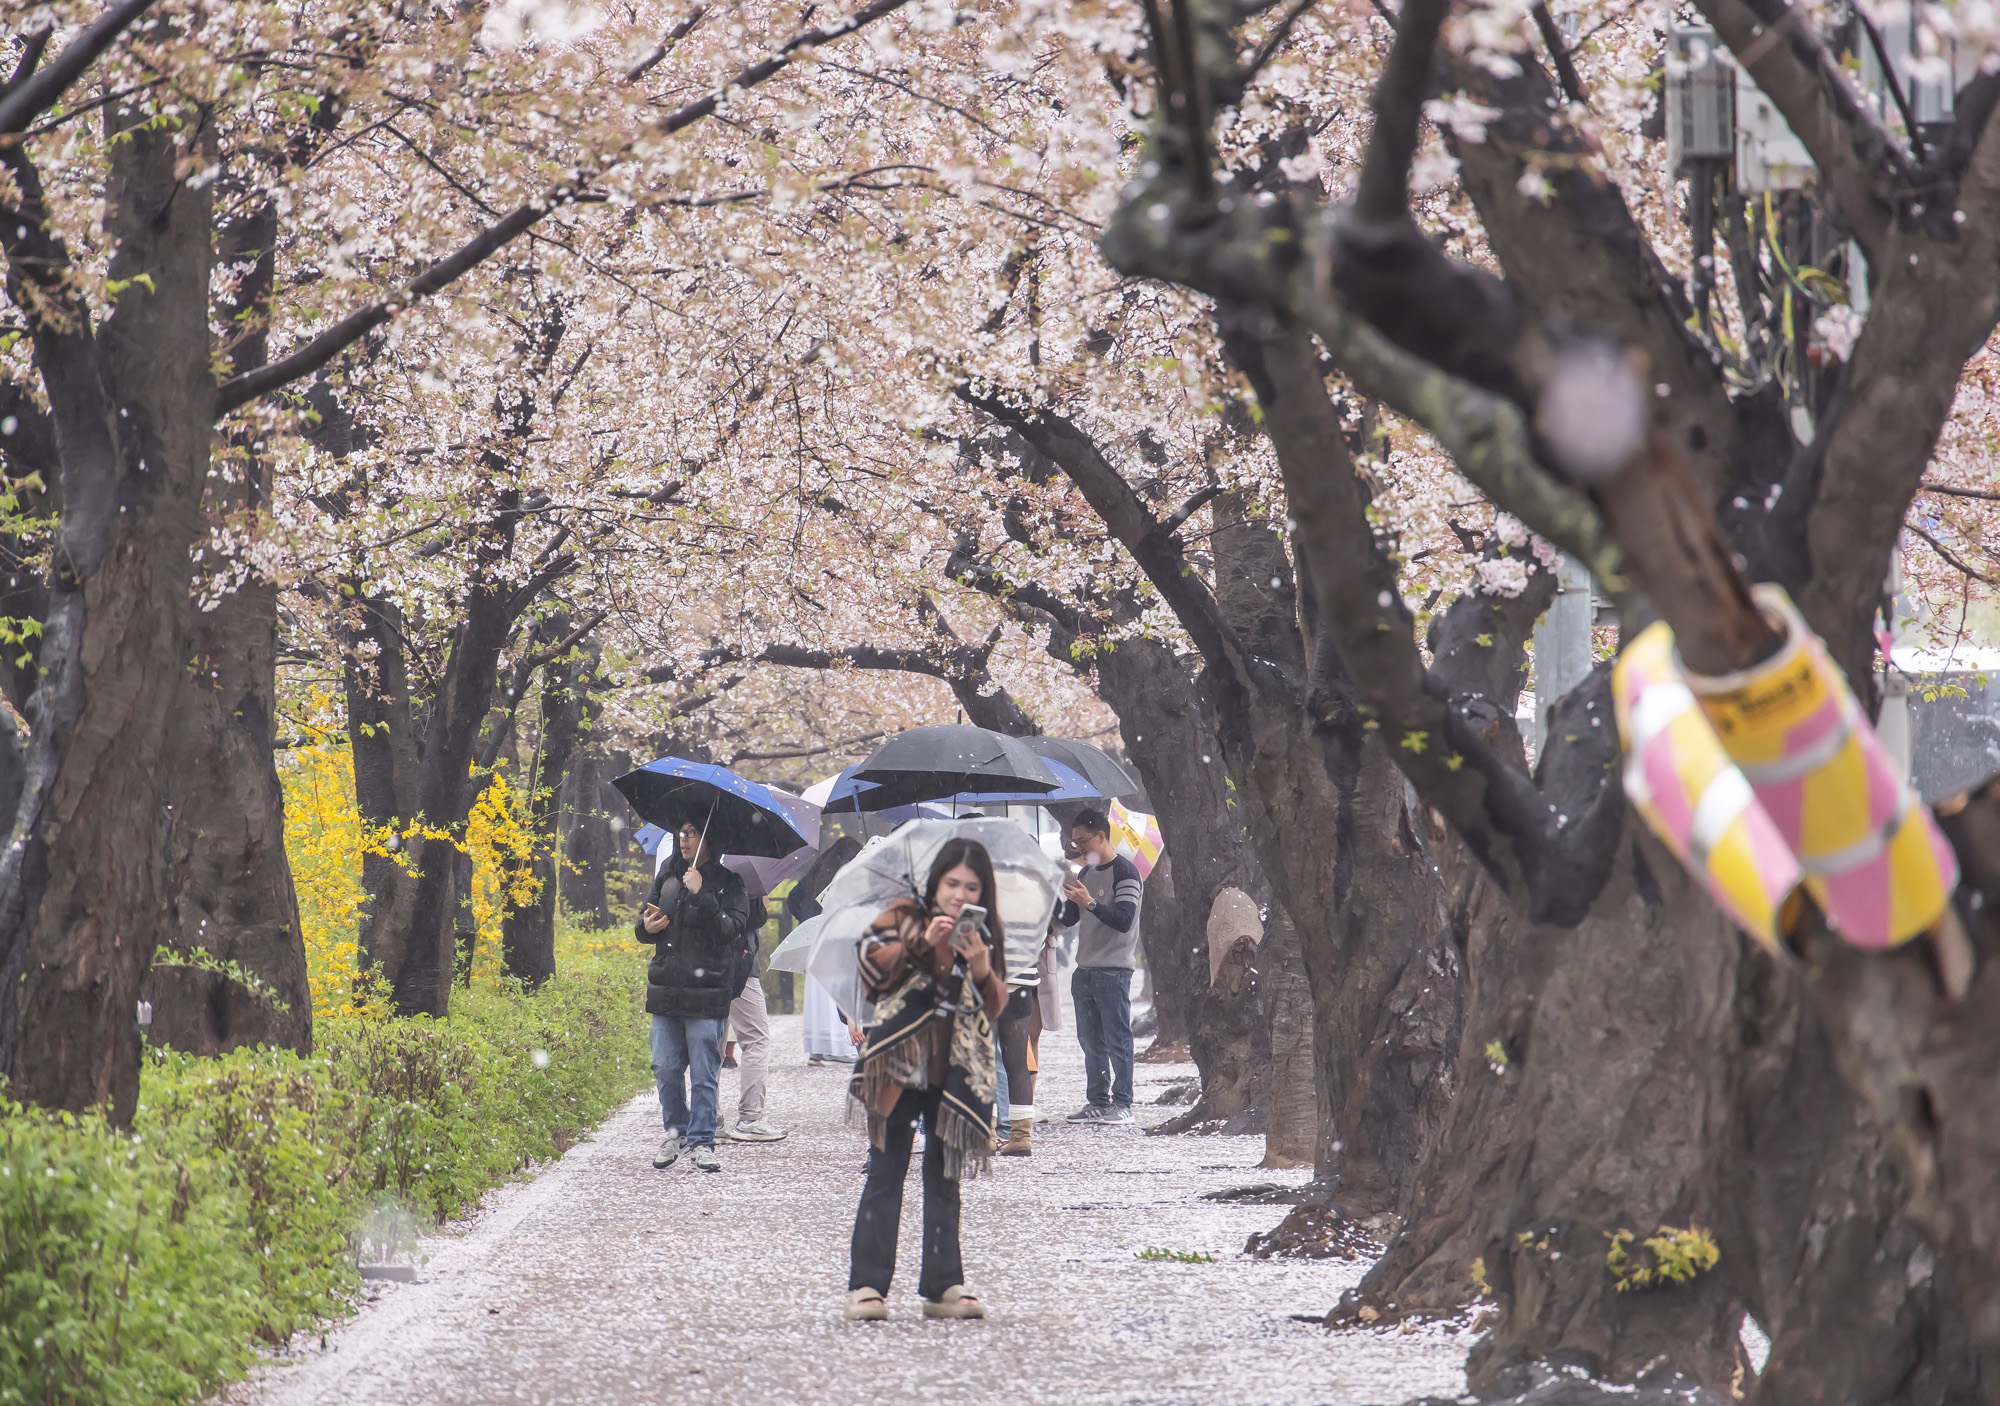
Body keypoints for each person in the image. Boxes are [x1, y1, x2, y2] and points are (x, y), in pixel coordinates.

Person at [844, 838, 1007, 1322]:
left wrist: (981, 968)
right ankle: (867, 1286)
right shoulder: (903, 915)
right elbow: (870, 969)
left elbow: (994, 1007)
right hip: (897, 1068)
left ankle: (944, 1286)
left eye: (971, 887)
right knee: (885, 1173)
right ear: (936, 883)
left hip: (952, 1076)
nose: (960, 894)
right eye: (952, 883)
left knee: (944, 1178)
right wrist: (924, 944)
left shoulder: (983, 933)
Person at [636, 821, 753, 1173]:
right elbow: (645, 923)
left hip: (707, 992)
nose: (683, 838)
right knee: (665, 1067)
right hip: (667, 990)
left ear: (708, 837)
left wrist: (703, 895)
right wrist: (646, 928)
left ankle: (702, 1141)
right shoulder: (667, 875)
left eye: (691, 832)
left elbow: (731, 931)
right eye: (681, 832)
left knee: (704, 1074)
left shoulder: (730, 883)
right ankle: (677, 1132)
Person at [1057, 810, 1144, 1125]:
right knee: (1090, 1041)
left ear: (1101, 836)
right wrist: (1056, 897)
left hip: (1113, 970)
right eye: (1075, 842)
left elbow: (1124, 920)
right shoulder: (1084, 873)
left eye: (1083, 841)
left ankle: (1122, 1103)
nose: (1079, 848)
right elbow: (1069, 919)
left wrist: (1090, 902)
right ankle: (1097, 1101)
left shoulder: (1126, 872)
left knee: (1117, 1038)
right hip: (1084, 971)